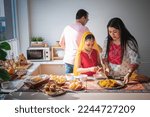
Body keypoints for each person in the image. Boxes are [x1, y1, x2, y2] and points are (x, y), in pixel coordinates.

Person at [102, 17, 141, 84]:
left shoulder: (128, 42)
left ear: (121, 30)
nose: (112, 34)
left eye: (115, 32)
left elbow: (135, 60)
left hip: (127, 77)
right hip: (111, 76)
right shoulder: (107, 40)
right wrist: (106, 67)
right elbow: (104, 56)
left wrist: (129, 74)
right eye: (110, 32)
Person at [59, 9, 90, 73]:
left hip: (68, 60)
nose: (87, 21)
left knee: (68, 81)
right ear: (83, 18)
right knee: (79, 82)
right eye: (87, 19)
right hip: (79, 61)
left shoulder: (67, 27)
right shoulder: (85, 29)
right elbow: (89, 45)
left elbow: (61, 43)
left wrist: (69, 51)